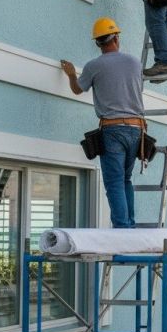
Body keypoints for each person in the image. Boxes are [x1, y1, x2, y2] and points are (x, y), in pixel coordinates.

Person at [60, 17, 144, 228]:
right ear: (116, 37)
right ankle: (129, 226)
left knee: (114, 182)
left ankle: (122, 230)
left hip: (112, 128)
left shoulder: (93, 66)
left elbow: (78, 89)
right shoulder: (134, 62)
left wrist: (71, 75)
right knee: (125, 180)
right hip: (136, 128)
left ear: (98, 42)